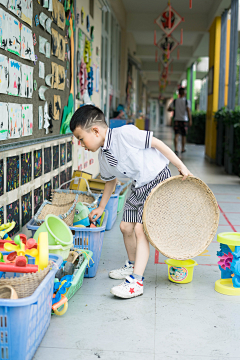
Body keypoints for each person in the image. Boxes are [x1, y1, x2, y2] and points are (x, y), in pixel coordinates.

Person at [70, 105, 193, 299]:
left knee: (139, 229)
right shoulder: (103, 156)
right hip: (138, 185)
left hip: (157, 179)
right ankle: (132, 264)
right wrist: (101, 207)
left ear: (95, 131)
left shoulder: (124, 134)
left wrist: (180, 166)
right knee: (126, 227)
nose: (81, 144)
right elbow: (110, 181)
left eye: (81, 138)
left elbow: (157, 143)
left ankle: (136, 281)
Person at [168, 87, 192, 156]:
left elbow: (169, 108)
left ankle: (176, 149)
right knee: (183, 135)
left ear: (179, 93)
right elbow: (188, 111)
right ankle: (182, 149)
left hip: (176, 120)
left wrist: (174, 109)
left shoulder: (175, 101)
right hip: (184, 120)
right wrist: (190, 120)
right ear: (184, 93)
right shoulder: (187, 101)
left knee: (176, 135)